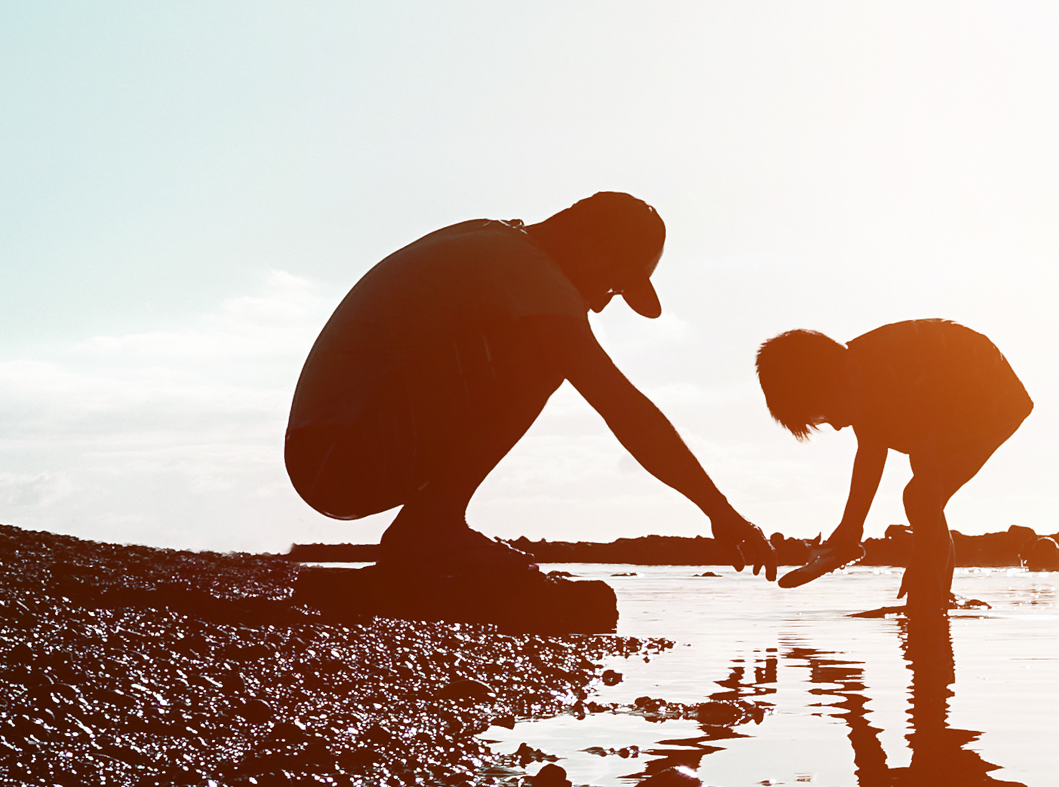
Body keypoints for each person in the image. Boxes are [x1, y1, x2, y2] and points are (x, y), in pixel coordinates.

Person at [286, 193, 773, 590]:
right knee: (552, 350)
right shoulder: (525, 267)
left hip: (339, 448)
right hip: (340, 457)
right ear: (597, 248)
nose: (602, 304)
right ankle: (430, 527)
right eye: (612, 284)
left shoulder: (498, 240)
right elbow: (619, 404)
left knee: (557, 342)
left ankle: (430, 525)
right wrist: (721, 511)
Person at [755, 319, 1031, 608]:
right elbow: (870, 455)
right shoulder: (859, 378)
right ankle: (933, 591)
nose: (836, 425)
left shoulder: (894, 379)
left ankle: (934, 594)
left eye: (829, 412)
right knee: (915, 492)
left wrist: (921, 560)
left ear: (851, 372)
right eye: (821, 419)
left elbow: (928, 478)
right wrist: (850, 528)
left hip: (992, 398)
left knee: (919, 499)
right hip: (948, 396)